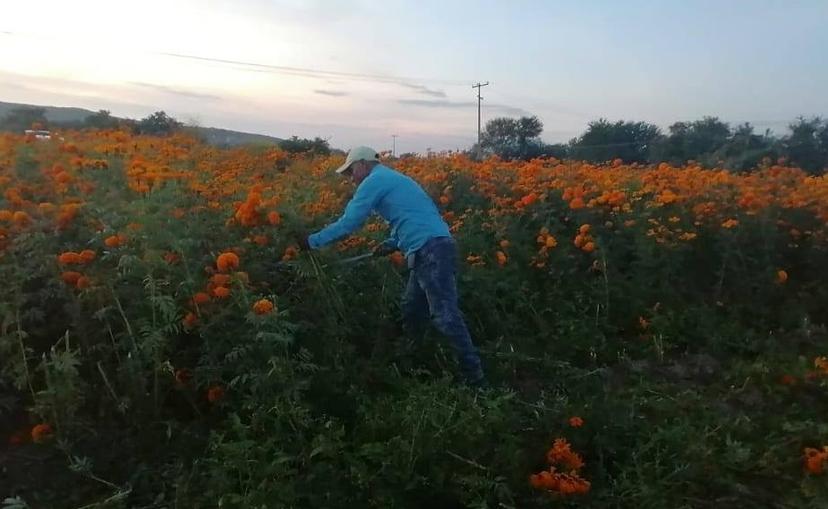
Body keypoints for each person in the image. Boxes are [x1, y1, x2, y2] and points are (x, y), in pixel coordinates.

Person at [298, 146, 485, 386]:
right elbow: (414, 215)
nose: (350, 178)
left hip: (430, 250)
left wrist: (312, 241)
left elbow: (350, 222)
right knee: (412, 309)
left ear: (364, 165)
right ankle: (414, 362)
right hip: (431, 247)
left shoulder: (374, 181)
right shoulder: (394, 179)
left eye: (351, 171)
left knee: (445, 315)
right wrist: (392, 242)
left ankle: (475, 379)